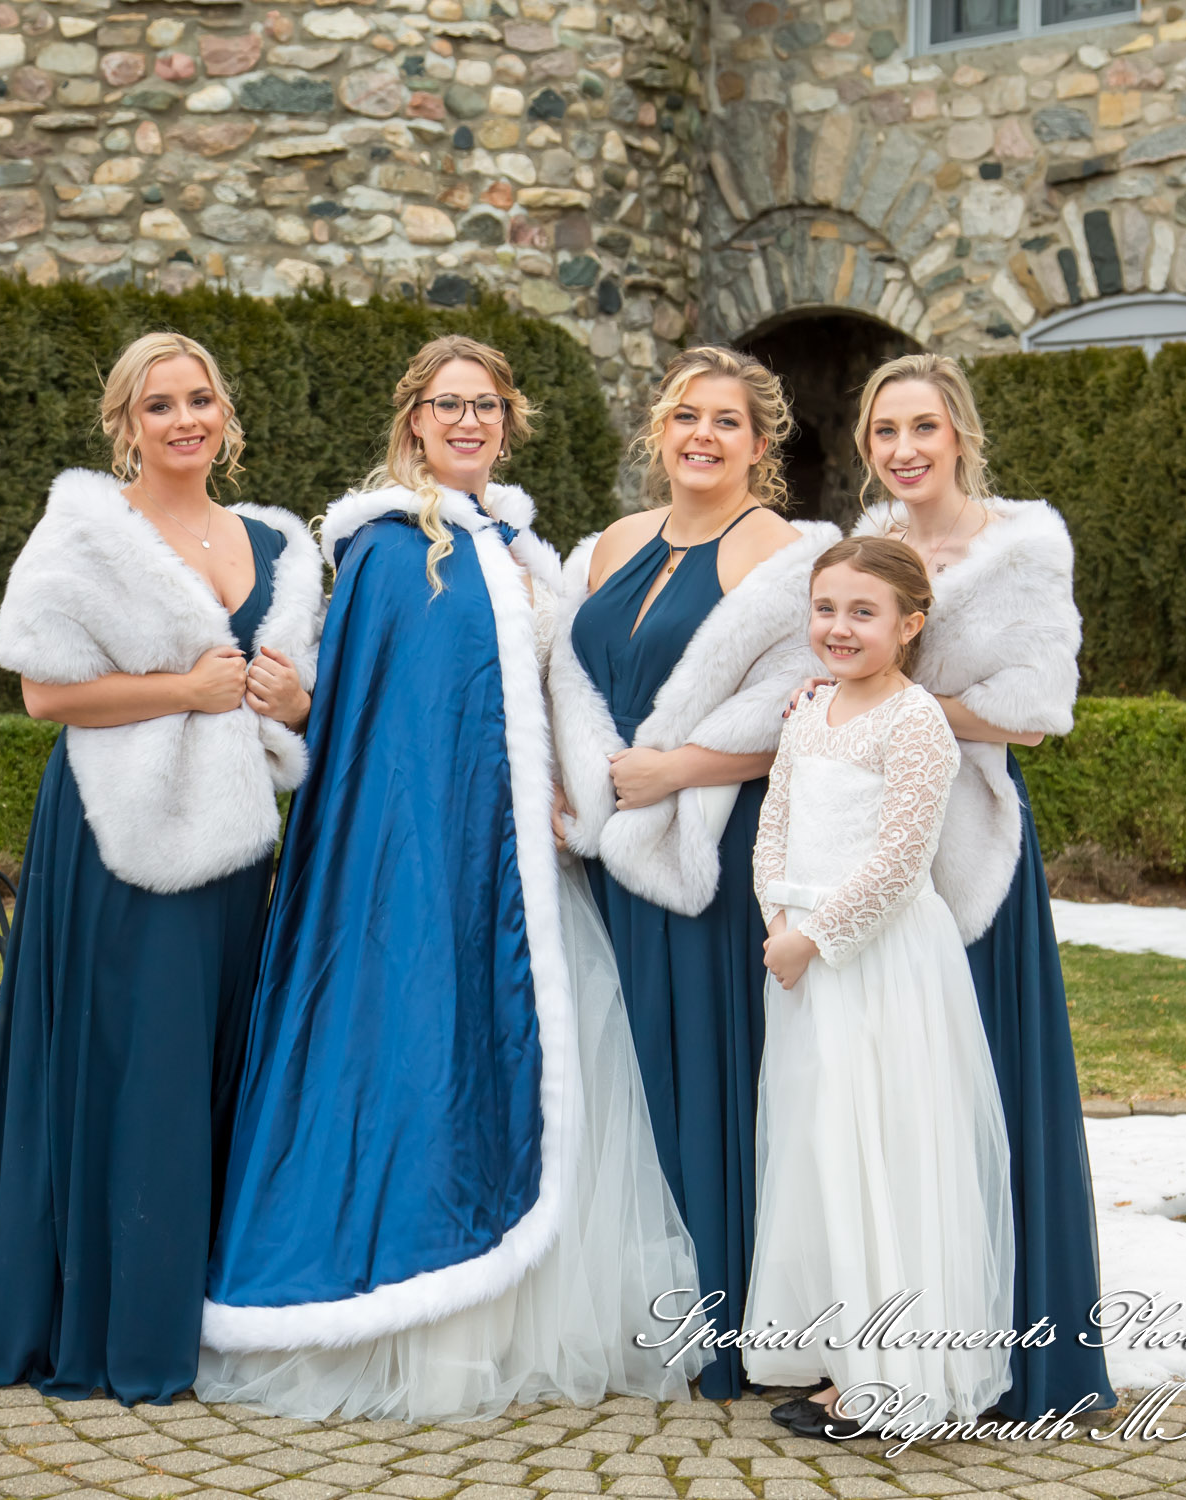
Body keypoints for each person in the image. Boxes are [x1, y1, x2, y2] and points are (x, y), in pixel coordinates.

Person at [196, 334, 702, 1420]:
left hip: (533, 862)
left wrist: (573, 795)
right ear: (413, 419)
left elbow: (548, 694)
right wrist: (301, 710)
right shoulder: (389, 548)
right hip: (429, 866)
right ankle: (421, 1311)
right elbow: (389, 729)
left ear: (507, 422)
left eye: (486, 406)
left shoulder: (523, 545)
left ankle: (534, 1305)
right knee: (431, 1055)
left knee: (559, 1064)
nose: (468, 422)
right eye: (447, 405)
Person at [0, 332, 324, 1407]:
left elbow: (300, 698)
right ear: (126, 424)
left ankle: (205, 1300)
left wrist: (286, 702)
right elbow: (45, 697)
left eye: (199, 399)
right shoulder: (85, 531)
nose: (184, 420)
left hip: (237, 848)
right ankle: (113, 1319)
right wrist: (181, 692)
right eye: (159, 405)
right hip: (118, 837)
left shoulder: (275, 542)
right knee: (133, 1060)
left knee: (217, 1058)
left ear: (226, 413)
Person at [795, 351, 1112, 1418]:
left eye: (923, 428)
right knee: (885, 1115)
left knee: (984, 1104)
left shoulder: (1023, 547)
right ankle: (891, 1347)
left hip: (967, 852)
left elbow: (1034, 710)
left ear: (961, 434)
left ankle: (1016, 1358)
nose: (904, 450)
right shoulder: (874, 545)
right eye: (885, 432)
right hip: (861, 858)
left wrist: (897, 699)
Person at [545, 346, 840, 1398]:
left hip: (711, 843)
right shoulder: (612, 542)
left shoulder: (785, 552)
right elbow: (567, 677)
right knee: (622, 1069)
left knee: (711, 1066)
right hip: (611, 840)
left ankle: (733, 1316)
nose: (702, 436)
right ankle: (645, 1303)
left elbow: (805, 704)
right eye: (685, 417)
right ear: (657, 432)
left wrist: (678, 769)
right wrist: (570, 782)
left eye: (725, 421)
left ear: (760, 446)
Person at [744, 537, 1012, 1439]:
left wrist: (816, 937)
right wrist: (778, 924)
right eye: (825, 609)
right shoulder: (807, 712)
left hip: (878, 961)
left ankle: (891, 1372)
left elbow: (901, 861)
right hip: (804, 956)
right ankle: (839, 1351)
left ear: (909, 624)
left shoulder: (914, 722)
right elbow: (772, 823)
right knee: (822, 1145)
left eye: (862, 612)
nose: (839, 628)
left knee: (883, 1149)